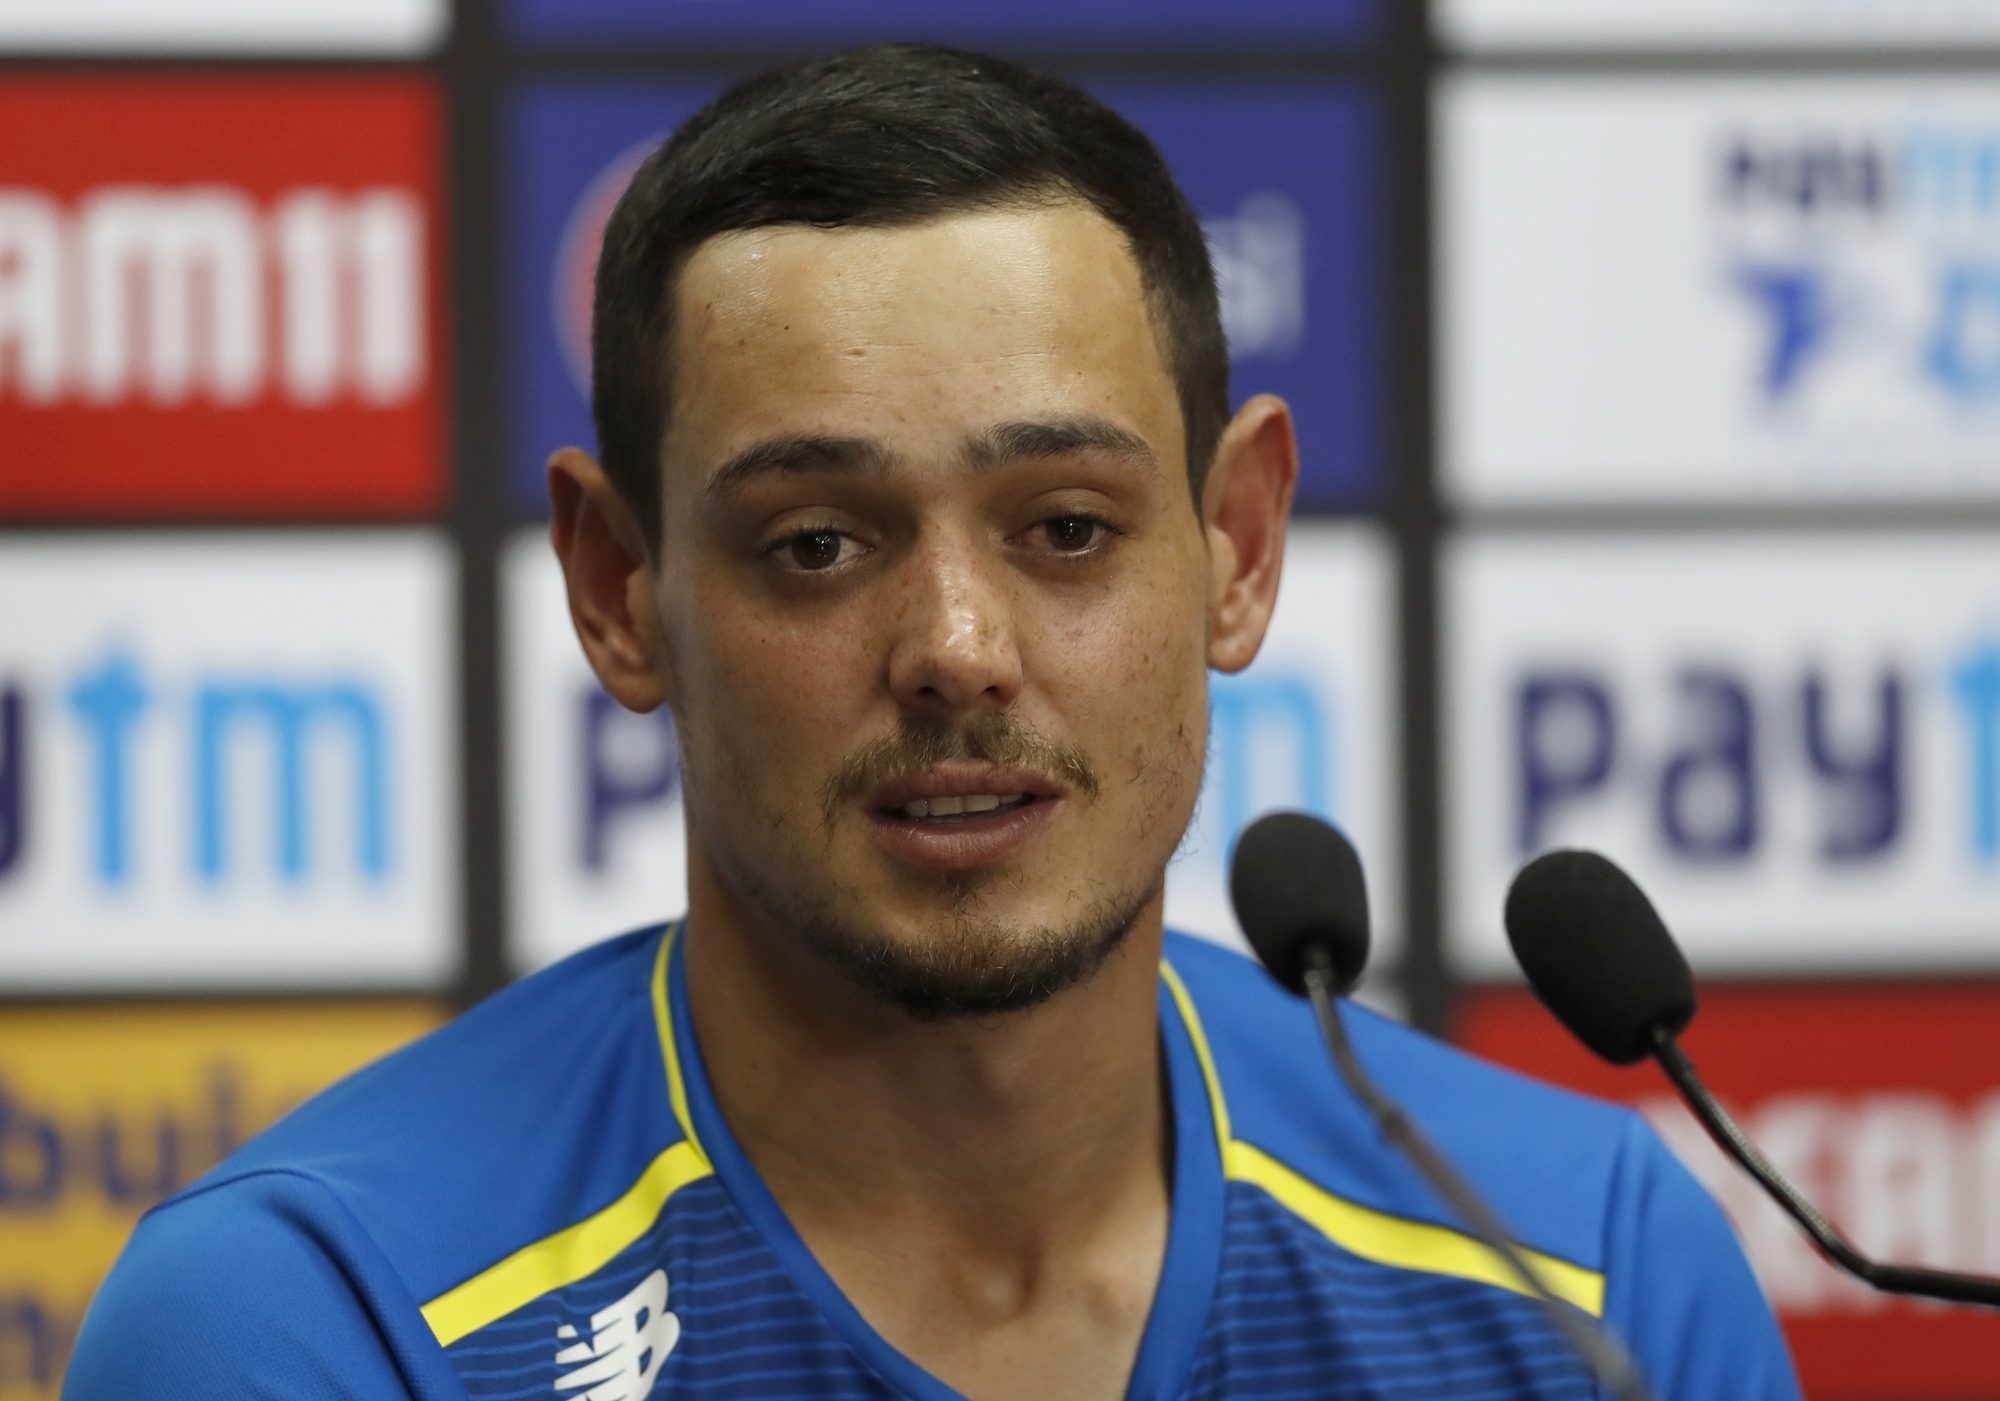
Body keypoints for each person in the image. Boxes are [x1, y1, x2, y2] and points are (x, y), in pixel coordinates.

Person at [66, 44, 1799, 1401]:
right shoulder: (322, 1318)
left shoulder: (1583, 1272)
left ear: (1240, 548)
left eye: (1068, 528)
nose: (958, 653)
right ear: (618, 588)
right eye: (817, 543)